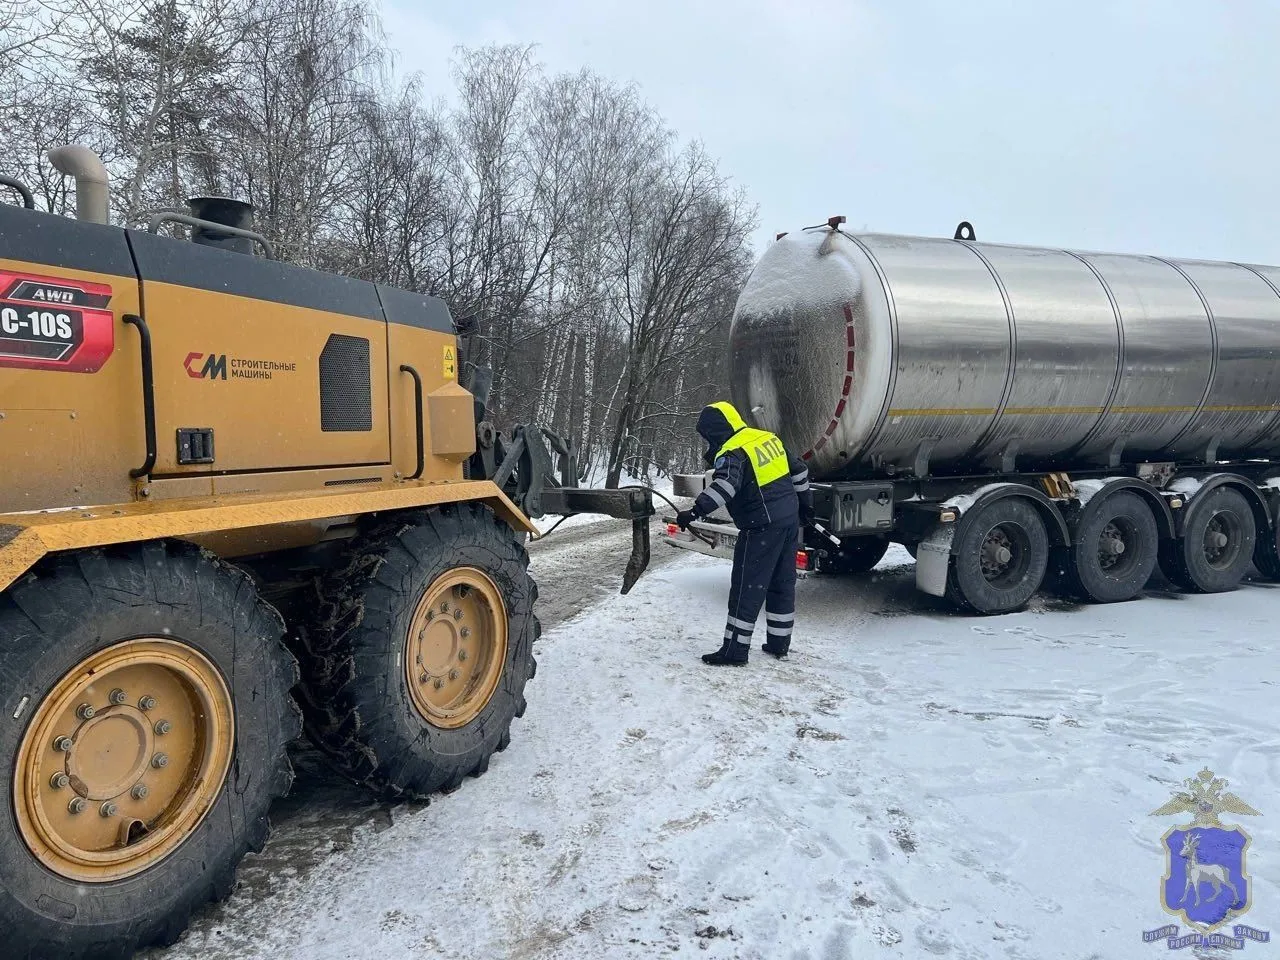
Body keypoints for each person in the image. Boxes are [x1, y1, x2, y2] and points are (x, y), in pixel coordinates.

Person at [677, 401, 814, 665]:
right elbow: (799, 471)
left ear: (715, 431)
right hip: (788, 521)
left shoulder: (733, 452)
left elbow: (725, 487)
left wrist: (694, 512)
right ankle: (779, 644)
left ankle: (735, 651)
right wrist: (806, 506)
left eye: (707, 436)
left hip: (761, 525)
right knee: (781, 584)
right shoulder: (767, 438)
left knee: (746, 588)